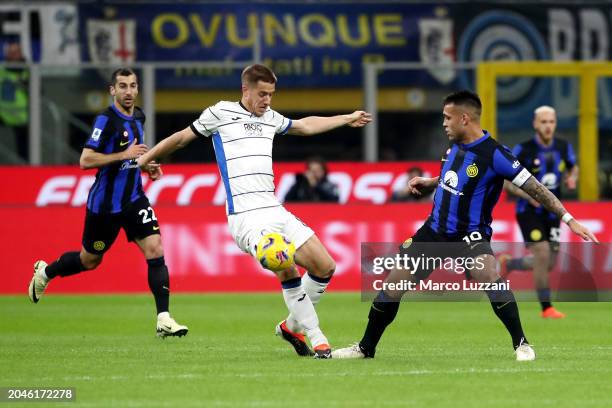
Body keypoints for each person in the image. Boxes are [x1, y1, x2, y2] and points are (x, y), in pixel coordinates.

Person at [332, 91, 598, 361]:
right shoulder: (454, 145)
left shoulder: (496, 155)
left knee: (488, 274)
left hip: (470, 234)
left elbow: (537, 189)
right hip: (434, 231)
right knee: (392, 286)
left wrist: (569, 219)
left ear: (464, 118)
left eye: (447, 118)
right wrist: (430, 182)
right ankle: (365, 348)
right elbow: (454, 174)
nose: (444, 123)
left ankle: (522, 344)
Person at [136, 64, 371, 358]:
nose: (267, 101)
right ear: (245, 90)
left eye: (271, 94)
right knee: (282, 261)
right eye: (262, 94)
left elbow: (305, 125)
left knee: (325, 266)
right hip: (245, 215)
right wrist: (149, 157)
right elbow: (182, 138)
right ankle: (317, 336)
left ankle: (291, 326)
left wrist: (345, 118)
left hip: (273, 208)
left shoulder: (270, 117)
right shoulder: (219, 113)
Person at [28, 68, 188, 338]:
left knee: (156, 248)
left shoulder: (138, 116)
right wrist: (123, 154)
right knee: (89, 260)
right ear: (112, 90)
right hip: (105, 206)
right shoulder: (106, 120)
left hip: (134, 199)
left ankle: (164, 319)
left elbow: (135, 156)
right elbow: (85, 160)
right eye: (122, 86)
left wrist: (147, 165)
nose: (128, 91)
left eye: (133, 86)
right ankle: (47, 271)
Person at [500, 106, 578, 319]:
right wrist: (528, 196)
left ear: (555, 124)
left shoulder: (563, 147)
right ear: (535, 124)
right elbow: (506, 182)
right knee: (542, 254)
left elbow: (572, 167)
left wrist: (572, 178)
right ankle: (547, 308)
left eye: (551, 122)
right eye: (543, 122)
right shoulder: (523, 150)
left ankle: (510, 264)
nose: (548, 126)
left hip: (553, 213)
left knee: (549, 262)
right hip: (528, 212)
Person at [0, 42, 29, 162]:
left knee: (23, 149)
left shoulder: (28, 71)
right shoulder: (2, 70)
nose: (13, 56)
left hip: (22, 115)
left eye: (15, 53)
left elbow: (39, 91)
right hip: (3, 113)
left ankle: (25, 170)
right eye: (10, 53)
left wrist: (24, 84)